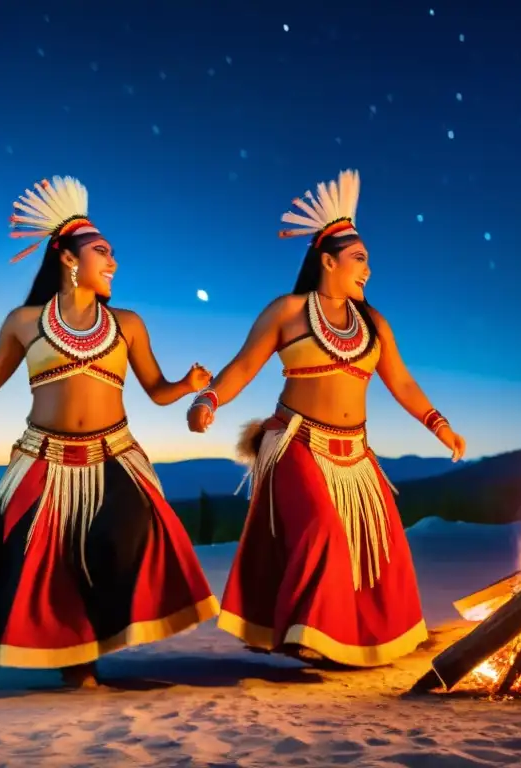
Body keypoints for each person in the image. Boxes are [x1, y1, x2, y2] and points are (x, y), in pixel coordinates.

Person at [187, 169, 465, 668]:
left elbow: (401, 381)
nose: (367, 271)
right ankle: (307, 636)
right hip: (297, 442)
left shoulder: (373, 323)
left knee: (386, 545)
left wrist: (438, 424)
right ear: (327, 260)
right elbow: (243, 367)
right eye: (359, 260)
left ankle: (361, 639)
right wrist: (208, 399)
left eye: (369, 263)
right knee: (320, 531)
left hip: (355, 453)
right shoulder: (287, 311)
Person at [0, 176, 219, 687]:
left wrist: (186, 386)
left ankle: (97, 643)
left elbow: (155, 389)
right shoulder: (24, 322)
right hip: (42, 460)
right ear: (70, 259)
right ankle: (78, 665)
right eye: (102, 251)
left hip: (113, 456)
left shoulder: (128, 324)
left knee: (119, 538)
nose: (113, 262)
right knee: (31, 556)